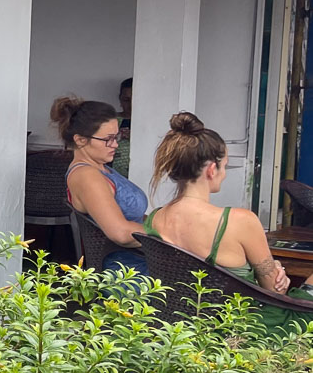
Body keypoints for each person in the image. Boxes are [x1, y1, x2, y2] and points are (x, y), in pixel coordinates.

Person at [144, 113, 311, 324]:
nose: (224, 173)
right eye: (225, 166)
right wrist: (276, 270)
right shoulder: (239, 221)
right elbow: (275, 290)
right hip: (245, 329)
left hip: (181, 326)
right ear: (212, 169)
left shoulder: (155, 219)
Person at [53, 95, 147, 276]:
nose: (115, 144)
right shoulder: (87, 176)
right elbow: (120, 233)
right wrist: (168, 234)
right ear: (80, 140)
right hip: (127, 273)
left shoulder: (100, 168)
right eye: (108, 139)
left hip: (141, 260)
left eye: (116, 137)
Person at [116, 77, 133, 176]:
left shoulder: (149, 123)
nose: (130, 104)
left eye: (134, 99)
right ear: (120, 99)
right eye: (126, 100)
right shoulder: (110, 120)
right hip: (112, 173)